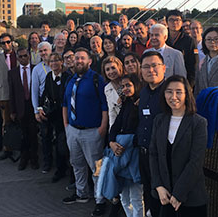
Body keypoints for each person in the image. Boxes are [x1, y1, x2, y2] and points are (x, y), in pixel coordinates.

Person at [149, 75, 208, 217]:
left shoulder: (198, 123)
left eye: (178, 92)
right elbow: (153, 154)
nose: (173, 96)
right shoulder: (159, 120)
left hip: (190, 196)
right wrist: (158, 186)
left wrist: (179, 193)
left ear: (187, 94)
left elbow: (196, 161)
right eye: (169, 91)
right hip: (164, 195)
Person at [62, 48, 108, 217]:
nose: (79, 60)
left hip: (92, 132)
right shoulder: (71, 79)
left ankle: (100, 199)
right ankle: (82, 193)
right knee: (77, 164)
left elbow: (105, 105)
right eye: (76, 58)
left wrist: (102, 127)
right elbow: (65, 104)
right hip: (73, 131)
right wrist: (66, 125)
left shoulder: (97, 79)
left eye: (82, 58)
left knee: (96, 168)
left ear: (89, 61)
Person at [108, 74, 144, 217]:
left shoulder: (142, 103)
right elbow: (116, 125)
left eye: (128, 85)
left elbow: (143, 129)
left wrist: (127, 142)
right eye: (123, 86)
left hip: (134, 156)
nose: (125, 89)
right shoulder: (127, 103)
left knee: (136, 197)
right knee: (124, 196)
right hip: (120, 153)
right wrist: (111, 142)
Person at [136, 51, 166, 217]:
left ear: (164, 68)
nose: (150, 70)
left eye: (155, 66)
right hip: (144, 153)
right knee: (149, 194)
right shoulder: (144, 92)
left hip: (162, 157)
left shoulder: (171, 92)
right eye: (146, 67)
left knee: (163, 198)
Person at [9, 47, 39, 170]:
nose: (23, 58)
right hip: (20, 108)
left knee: (33, 135)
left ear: (29, 56)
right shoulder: (12, 73)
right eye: (20, 56)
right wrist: (12, 111)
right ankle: (24, 158)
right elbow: (11, 93)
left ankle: (34, 159)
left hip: (33, 106)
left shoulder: (35, 69)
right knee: (23, 135)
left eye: (25, 56)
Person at [42, 52, 71, 182]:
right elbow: (45, 94)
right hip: (54, 115)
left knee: (65, 143)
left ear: (61, 62)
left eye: (56, 61)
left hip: (66, 115)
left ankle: (69, 171)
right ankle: (60, 169)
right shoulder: (49, 76)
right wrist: (40, 109)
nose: (54, 63)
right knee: (57, 143)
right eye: (51, 61)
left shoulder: (67, 77)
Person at [0, 33, 18, 160]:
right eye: (3, 43)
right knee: (6, 124)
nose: (6, 44)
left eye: (8, 42)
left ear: (11, 42)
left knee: (19, 121)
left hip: (18, 95)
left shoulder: (20, 56)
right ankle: (7, 149)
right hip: (4, 95)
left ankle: (20, 146)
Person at [31, 41, 53, 173]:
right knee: (45, 136)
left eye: (46, 50)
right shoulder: (37, 69)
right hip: (43, 105)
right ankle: (47, 162)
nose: (44, 53)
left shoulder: (58, 65)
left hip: (57, 104)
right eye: (41, 51)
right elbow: (34, 91)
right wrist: (36, 110)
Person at [166, 10, 197, 88]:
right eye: (171, 20)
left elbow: (192, 64)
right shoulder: (163, 39)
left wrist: (189, 85)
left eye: (177, 20)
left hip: (183, 80)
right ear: (167, 22)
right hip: (165, 80)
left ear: (181, 22)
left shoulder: (188, 40)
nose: (175, 22)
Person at [102, 56, 124, 128]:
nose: (111, 72)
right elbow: (112, 112)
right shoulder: (107, 88)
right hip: (121, 126)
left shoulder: (128, 81)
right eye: (107, 70)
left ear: (119, 68)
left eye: (113, 68)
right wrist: (112, 133)